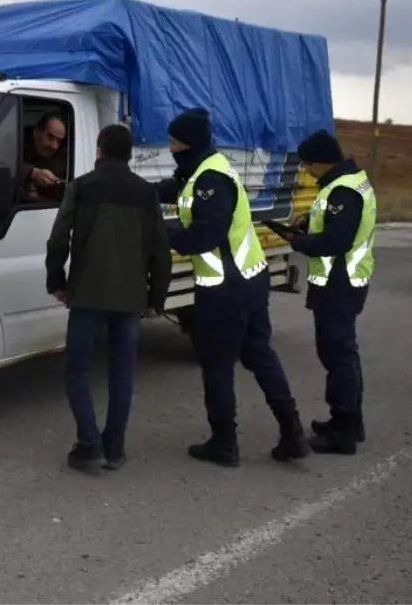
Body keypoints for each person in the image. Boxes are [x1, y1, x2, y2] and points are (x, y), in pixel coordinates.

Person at [154, 108, 309, 467]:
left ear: (189, 144)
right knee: (259, 355)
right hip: (248, 280)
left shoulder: (211, 181)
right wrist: (131, 191)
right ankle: (293, 432)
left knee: (217, 364)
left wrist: (159, 234)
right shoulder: (203, 172)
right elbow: (171, 189)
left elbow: (204, 235)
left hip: (226, 288)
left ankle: (224, 443)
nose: (170, 147)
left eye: (174, 142)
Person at [45, 123, 172, 472]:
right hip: (131, 297)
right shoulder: (147, 194)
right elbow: (161, 251)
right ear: (129, 154)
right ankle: (114, 447)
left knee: (77, 369)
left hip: (86, 292)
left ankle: (89, 444)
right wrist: (156, 298)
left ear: (99, 150)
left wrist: (56, 280)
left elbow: (58, 239)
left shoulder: (81, 187)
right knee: (122, 373)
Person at [275, 130, 376, 455]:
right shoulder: (343, 183)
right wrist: (308, 222)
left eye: (307, 163)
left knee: (338, 357)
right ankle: (347, 421)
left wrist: (299, 241)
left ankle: (343, 431)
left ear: (322, 160)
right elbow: (333, 228)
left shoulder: (343, 191)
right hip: (343, 280)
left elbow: (336, 241)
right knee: (341, 354)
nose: (305, 170)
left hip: (339, 282)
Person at [21, 112, 68, 202]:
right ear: (36, 133)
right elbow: (5, 165)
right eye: (50, 137)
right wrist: (31, 172)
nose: (54, 146)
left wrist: (36, 198)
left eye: (59, 141)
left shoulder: (62, 161)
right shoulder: (16, 144)